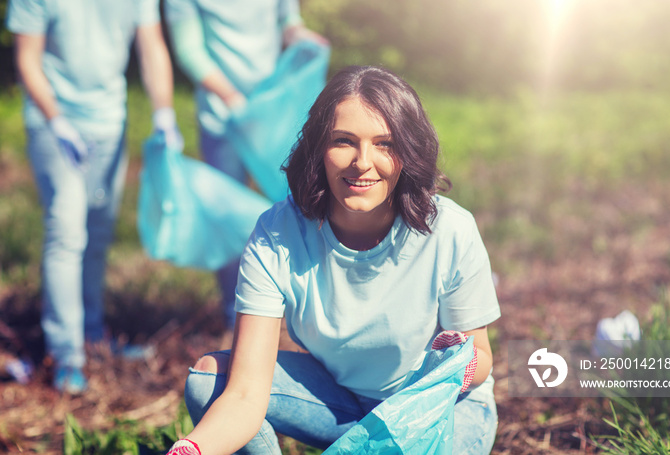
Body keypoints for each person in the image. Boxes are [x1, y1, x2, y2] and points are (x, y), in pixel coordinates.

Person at [166, 66, 501, 455]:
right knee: (210, 381)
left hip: (436, 408)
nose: (362, 161)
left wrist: (451, 368)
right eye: (344, 141)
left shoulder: (450, 231)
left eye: (385, 144)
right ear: (319, 148)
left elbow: (482, 357)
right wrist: (190, 448)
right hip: (342, 401)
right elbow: (244, 394)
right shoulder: (277, 235)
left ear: (409, 153)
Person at [6, 0, 181, 393]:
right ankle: (65, 355)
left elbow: (151, 45)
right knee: (67, 234)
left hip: (109, 122)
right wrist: (56, 119)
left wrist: (165, 114)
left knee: (98, 233)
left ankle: (93, 336)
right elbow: (28, 58)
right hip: (56, 123)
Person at [163, 0, 328, 345]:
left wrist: (302, 37)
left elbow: (287, 22)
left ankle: (298, 312)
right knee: (226, 218)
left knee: (297, 210)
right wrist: (232, 97)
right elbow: (189, 50)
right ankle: (235, 314)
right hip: (223, 120)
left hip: (274, 117)